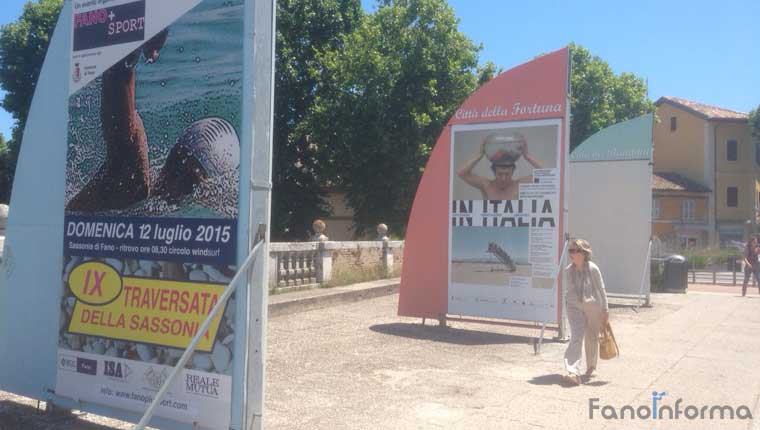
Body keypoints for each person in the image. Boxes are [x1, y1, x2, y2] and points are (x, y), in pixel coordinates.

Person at [563, 239, 609, 385]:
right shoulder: (568, 271)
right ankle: (572, 371)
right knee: (576, 335)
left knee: (591, 336)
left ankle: (591, 366)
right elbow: (569, 292)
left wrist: (605, 310)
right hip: (574, 307)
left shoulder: (593, 268)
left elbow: (601, 290)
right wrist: (572, 305)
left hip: (592, 306)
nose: (571, 254)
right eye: (570, 251)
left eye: (574, 251)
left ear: (583, 253)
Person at [457, 133, 543, 200]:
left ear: (513, 171)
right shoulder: (486, 185)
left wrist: (527, 156)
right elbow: (462, 173)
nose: (503, 178)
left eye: (507, 174)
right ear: (493, 172)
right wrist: (480, 154)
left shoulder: (519, 185)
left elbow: (546, 174)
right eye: (500, 174)